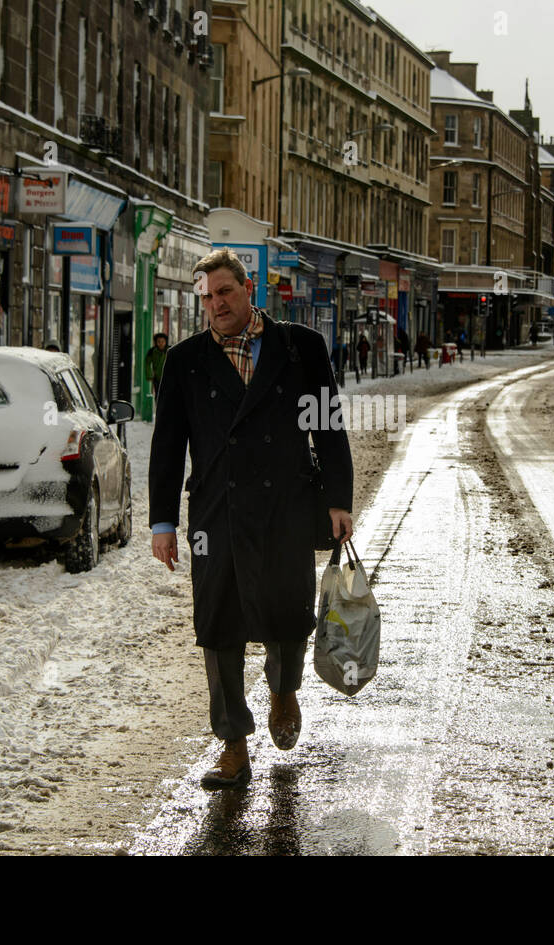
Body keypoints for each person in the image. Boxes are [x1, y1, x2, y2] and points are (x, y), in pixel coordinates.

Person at [149, 248, 354, 790]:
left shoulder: (299, 348)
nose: (217, 304)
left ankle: (284, 691)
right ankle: (233, 744)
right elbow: (167, 446)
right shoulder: (186, 360)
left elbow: (328, 426)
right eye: (208, 296)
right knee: (218, 628)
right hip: (216, 511)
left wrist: (338, 499)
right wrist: (163, 523)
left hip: (285, 505)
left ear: (248, 289)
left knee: (287, 616)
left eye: (226, 292)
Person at [145, 332, 169, 401]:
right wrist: (149, 375)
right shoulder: (152, 351)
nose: (161, 343)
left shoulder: (169, 350)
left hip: (168, 377)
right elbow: (147, 363)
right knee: (158, 395)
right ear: (156, 342)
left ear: (165, 342)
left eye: (163, 341)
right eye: (159, 342)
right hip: (157, 378)